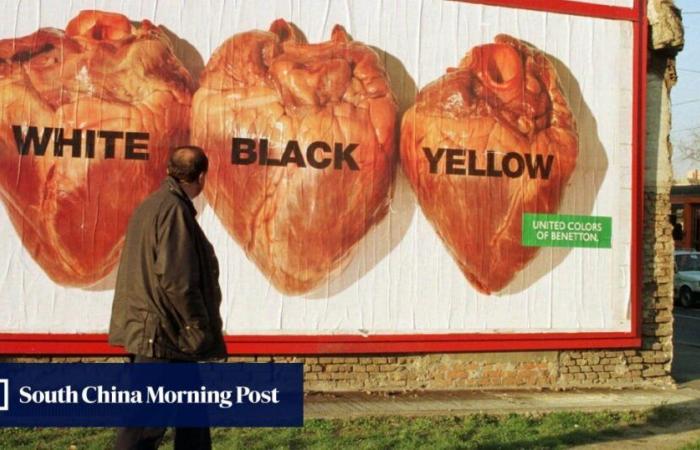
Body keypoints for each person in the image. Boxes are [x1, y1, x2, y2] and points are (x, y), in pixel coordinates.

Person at [109, 145, 226, 450]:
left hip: (165, 336)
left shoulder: (152, 206)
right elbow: (178, 280)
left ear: (168, 171)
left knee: (193, 419)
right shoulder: (174, 211)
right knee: (145, 424)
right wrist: (197, 326)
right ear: (201, 177)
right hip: (162, 336)